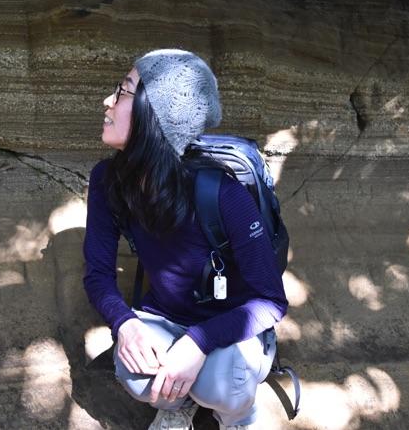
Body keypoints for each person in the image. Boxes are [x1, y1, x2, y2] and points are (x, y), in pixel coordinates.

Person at [83, 49, 288, 430]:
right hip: (167, 317)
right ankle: (178, 404)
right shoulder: (108, 180)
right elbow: (98, 274)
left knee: (221, 385)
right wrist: (125, 324)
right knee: (135, 374)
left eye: (123, 91)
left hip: (230, 326)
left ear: (157, 114)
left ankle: (237, 416)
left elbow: (271, 301)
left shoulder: (221, 192)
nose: (108, 101)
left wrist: (197, 343)